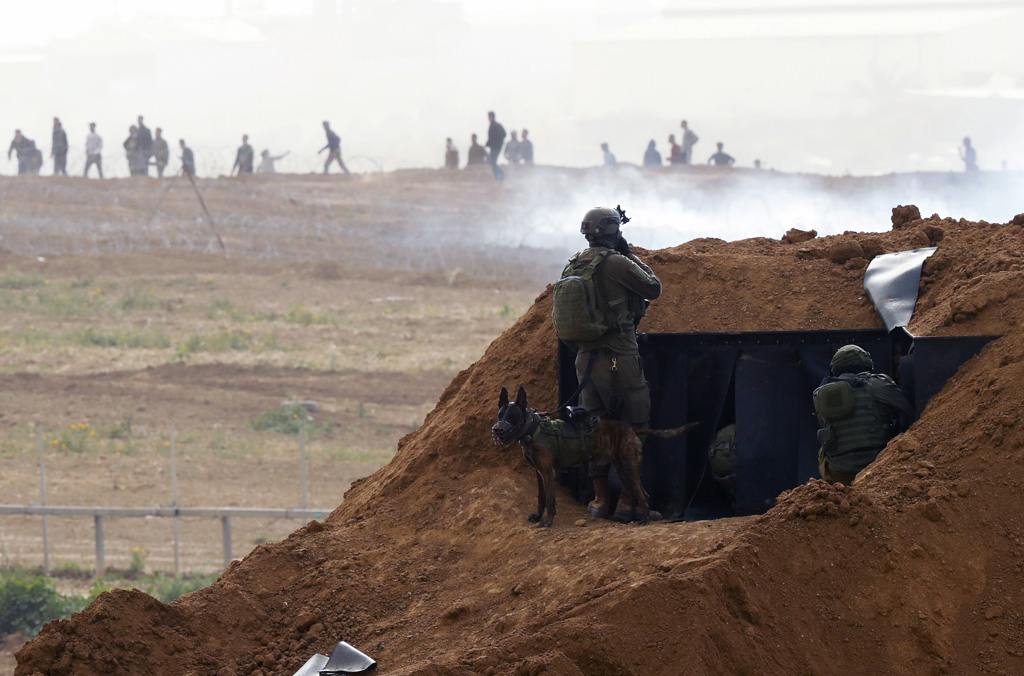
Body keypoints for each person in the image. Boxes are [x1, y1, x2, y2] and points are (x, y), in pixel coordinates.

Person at [565, 206, 662, 520]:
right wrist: (629, 252)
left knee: (596, 426)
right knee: (633, 425)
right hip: (619, 356)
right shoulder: (617, 263)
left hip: (585, 360)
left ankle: (600, 500)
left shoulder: (574, 265)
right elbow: (653, 287)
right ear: (613, 231)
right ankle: (627, 503)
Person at [812, 345, 913, 485]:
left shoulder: (820, 394)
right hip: (877, 465)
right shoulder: (877, 384)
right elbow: (908, 411)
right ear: (865, 363)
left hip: (839, 472)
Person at [486, 111, 506, 181]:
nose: (488, 118)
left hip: (496, 147)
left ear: (491, 117)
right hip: (494, 147)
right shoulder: (492, 125)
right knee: (491, 162)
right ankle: (498, 177)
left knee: (492, 162)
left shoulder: (496, 125)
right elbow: (491, 137)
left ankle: (500, 175)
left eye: (489, 117)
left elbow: (503, 134)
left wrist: (498, 142)